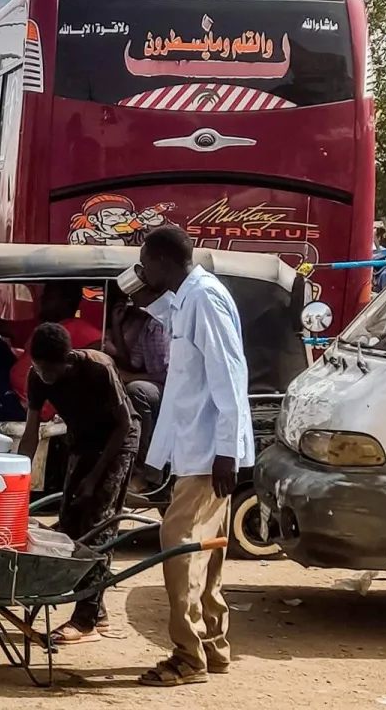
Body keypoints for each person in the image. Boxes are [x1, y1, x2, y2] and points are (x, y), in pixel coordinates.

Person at [134, 225, 252, 688]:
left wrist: (228, 449)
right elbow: (184, 388)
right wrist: (156, 458)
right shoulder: (184, 301)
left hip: (209, 454)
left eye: (147, 263)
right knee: (208, 549)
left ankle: (188, 655)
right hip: (193, 449)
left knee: (179, 544)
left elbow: (228, 375)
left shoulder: (204, 299)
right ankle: (214, 647)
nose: (143, 271)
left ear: (164, 262)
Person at [18, 322, 139, 646]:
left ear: (66, 361)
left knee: (97, 529)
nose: (44, 374)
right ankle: (97, 612)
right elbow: (32, 432)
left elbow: (124, 424)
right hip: (82, 443)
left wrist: (95, 479)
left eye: (49, 369)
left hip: (117, 444)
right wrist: (16, 478)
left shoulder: (98, 369)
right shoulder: (36, 377)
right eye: (39, 367)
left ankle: (85, 619)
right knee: (70, 525)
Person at [103, 283, 170, 474]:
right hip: (158, 382)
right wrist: (116, 325)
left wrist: (131, 377)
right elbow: (131, 362)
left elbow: (169, 373)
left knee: (138, 390)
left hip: (172, 388)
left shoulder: (160, 325)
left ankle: (143, 466)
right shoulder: (146, 326)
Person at [8, 281, 103, 415]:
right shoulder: (42, 326)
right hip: (20, 397)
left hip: (34, 408)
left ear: (67, 301)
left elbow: (103, 351)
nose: (42, 299)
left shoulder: (83, 330)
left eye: (49, 296)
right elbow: (8, 328)